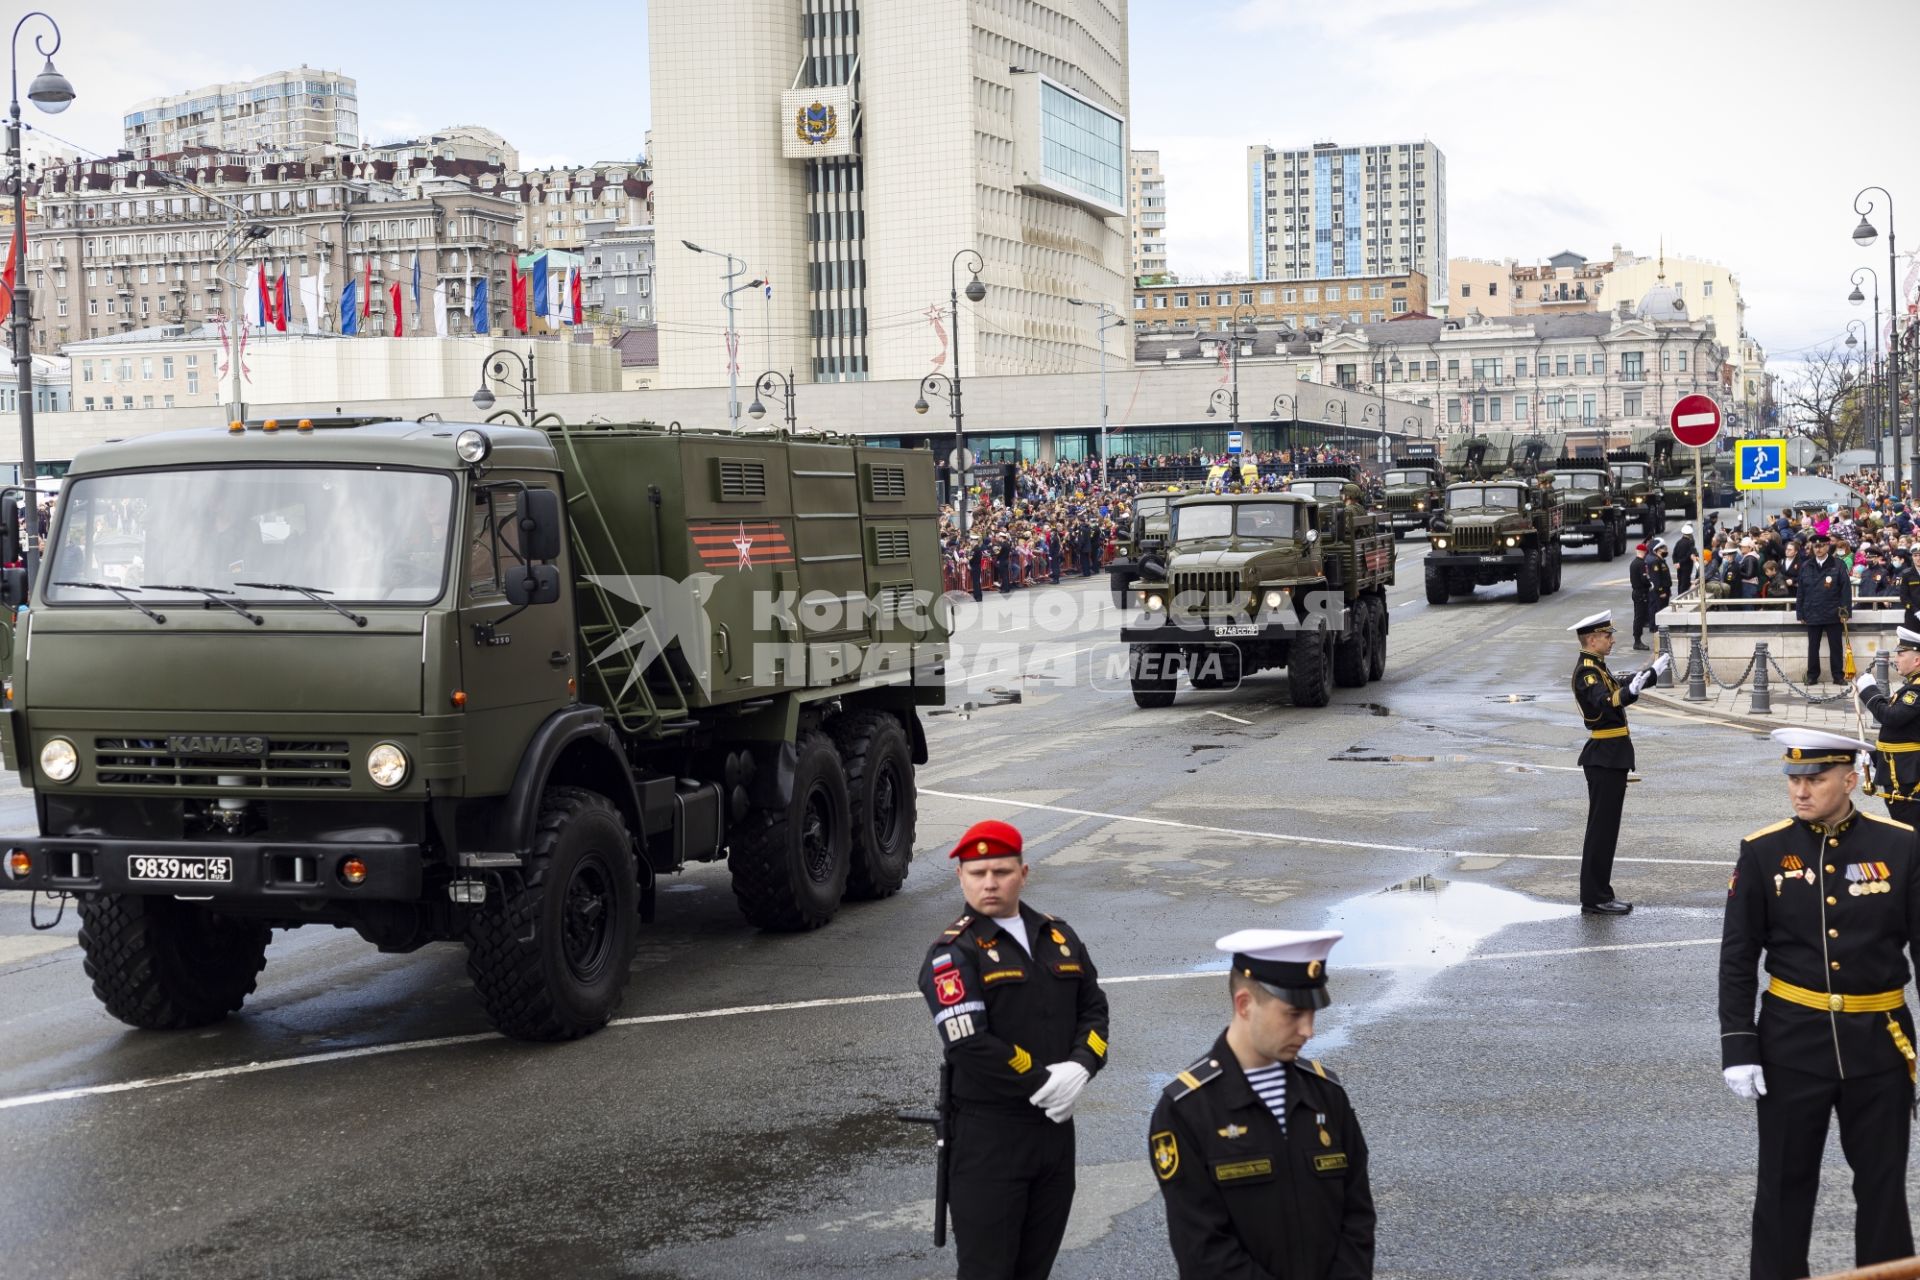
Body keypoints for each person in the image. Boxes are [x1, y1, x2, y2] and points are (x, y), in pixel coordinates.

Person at [1719, 727, 1920, 1280]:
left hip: (1879, 1045)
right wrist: (1738, 1043)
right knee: (1783, 1190)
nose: (1801, 792)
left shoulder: (1900, 845)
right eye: (1794, 780)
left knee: (1883, 1191)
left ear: (1851, 779)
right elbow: (1738, 956)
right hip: (1791, 1043)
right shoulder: (1763, 850)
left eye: (1815, 779)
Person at [917, 819, 1111, 1280]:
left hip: (1054, 1134)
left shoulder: (1059, 937)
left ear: (1024, 874)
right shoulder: (952, 953)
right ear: (960, 877)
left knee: (1034, 1269)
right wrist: (1046, 1081)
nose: (989, 882)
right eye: (978, 872)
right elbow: (968, 1042)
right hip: (990, 1139)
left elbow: (1095, 1010)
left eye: (1001, 871)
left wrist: (1082, 1067)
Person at [1149, 929, 1375, 1279]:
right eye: (1294, 1014)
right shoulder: (1186, 1110)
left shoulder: (1327, 1095)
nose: (1308, 1031)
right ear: (1244, 1005)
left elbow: (1356, 1215)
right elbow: (1203, 1249)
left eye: (1313, 1013)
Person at [1570, 610, 1668, 915]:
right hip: (1604, 756)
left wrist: (1648, 675)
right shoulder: (1587, 671)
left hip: (1610, 756)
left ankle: (1599, 892)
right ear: (1593, 639)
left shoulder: (1597, 666)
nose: (1612, 640)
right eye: (1608, 635)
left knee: (1605, 830)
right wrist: (1629, 693)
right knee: (1601, 831)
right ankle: (1595, 897)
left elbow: (1618, 686)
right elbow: (1604, 700)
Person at [1856, 625, 1920, 829]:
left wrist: (1869, 692)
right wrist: (1875, 754)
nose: (1896, 659)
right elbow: (1901, 734)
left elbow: (1892, 718)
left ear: (1917, 659)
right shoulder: (1911, 687)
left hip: (1909, 779)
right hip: (1901, 774)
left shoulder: (1916, 691)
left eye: (1901, 654)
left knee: (1912, 833)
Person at [1795, 531, 1852, 685]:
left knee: (1836, 647)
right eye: (1815, 546)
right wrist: (1799, 613)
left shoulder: (1838, 564)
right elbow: (1801, 591)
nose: (1818, 549)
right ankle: (1812, 675)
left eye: (1821, 546)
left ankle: (1838, 676)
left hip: (1833, 612)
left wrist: (1845, 612)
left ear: (1828, 546)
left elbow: (1845, 590)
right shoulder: (1807, 565)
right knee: (1813, 647)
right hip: (1812, 612)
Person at [1629, 544, 1653, 650]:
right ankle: (1637, 641)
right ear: (1644, 552)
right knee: (1640, 617)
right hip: (1641, 593)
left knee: (1637, 617)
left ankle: (1637, 639)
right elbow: (1644, 579)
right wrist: (1650, 584)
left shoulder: (1633, 563)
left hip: (1635, 592)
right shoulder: (1642, 564)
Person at [1674, 523, 1698, 595]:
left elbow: (1674, 554)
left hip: (1679, 566)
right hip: (1686, 566)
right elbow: (1688, 555)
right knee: (1685, 583)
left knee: (1680, 582)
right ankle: (1682, 598)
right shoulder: (1690, 543)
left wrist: (1676, 563)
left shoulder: (1678, 542)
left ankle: (1678, 597)